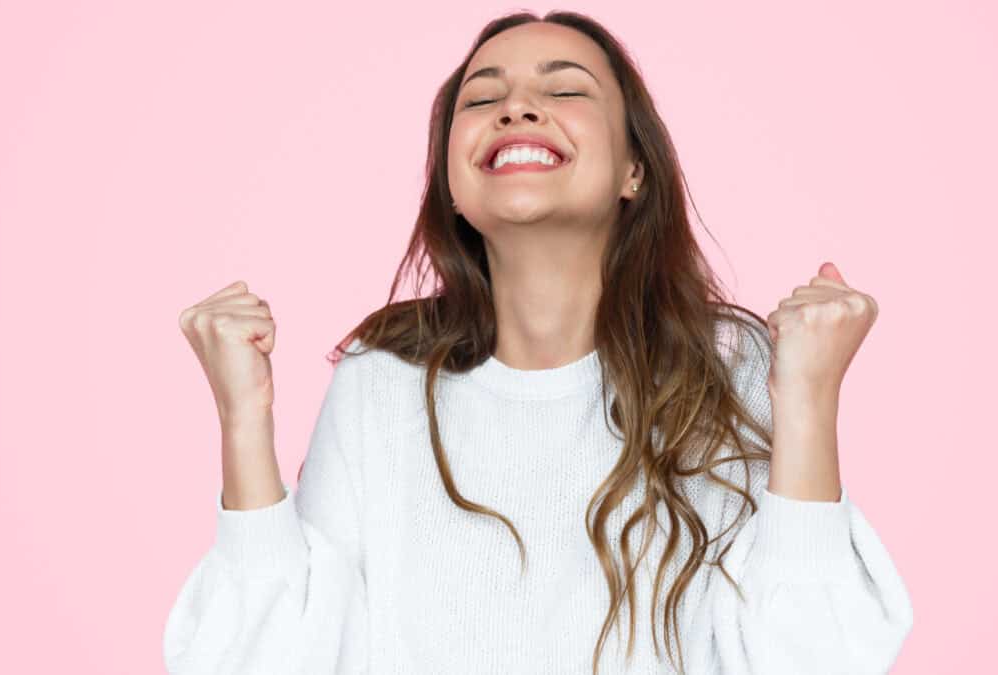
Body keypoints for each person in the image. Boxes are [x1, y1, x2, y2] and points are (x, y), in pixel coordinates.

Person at [162, 11, 914, 675]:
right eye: (482, 98)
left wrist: (810, 398)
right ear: (453, 182)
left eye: (566, 90)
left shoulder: (729, 369)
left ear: (633, 169)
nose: (516, 106)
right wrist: (244, 416)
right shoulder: (381, 381)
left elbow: (814, 660)